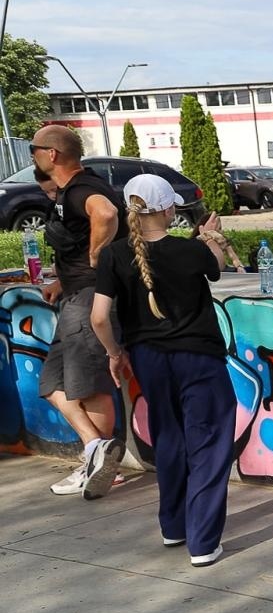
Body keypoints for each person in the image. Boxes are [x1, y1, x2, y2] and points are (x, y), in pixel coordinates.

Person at [88, 175, 234, 567]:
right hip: (198, 357)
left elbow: (99, 317)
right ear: (169, 209)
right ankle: (203, 542)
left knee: (169, 438)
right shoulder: (190, 252)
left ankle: (174, 526)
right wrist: (211, 237)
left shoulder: (114, 255)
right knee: (207, 442)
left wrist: (114, 352)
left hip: (148, 358)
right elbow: (217, 267)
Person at [31, 124, 128, 498]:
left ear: (51, 154)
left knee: (89, 389)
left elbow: (104, 214)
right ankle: (94, 451)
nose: (34, 157)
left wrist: (95, 256)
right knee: (52, 385)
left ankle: (108, 468)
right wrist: (63, 281)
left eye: (34, 150)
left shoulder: (82, 189)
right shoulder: (69, 191)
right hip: (75, 295)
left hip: (91, 299)